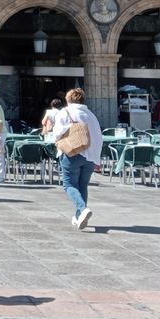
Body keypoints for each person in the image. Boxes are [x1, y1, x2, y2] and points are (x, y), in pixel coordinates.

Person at [50, 88, 103, 230]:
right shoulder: (91, 115)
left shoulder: (65, 112)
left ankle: (83, 209)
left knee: (69, 185)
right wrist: (97, 159)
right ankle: (79, 217)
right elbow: (98, 137)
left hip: (72, 153)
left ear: (68, 100)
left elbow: (57, 134)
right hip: (90, 156)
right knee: (83, 186)